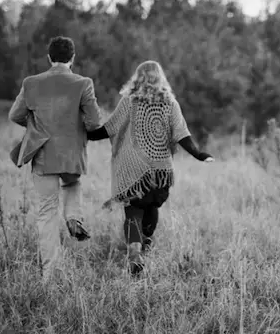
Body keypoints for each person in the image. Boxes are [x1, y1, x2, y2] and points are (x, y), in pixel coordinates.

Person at [87, 60, 213, 275]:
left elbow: (109, 129)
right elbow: (182, 134)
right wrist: (199, 154)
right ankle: (144, 245)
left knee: (133, 212)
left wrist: (85, 133)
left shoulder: (129, 101)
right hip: (159, 172)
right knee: (151, 207)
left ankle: (135, 252)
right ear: (160, 78)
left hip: (131, 171)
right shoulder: (170, 104)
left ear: (137, 78)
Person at [8, 36, 103, 281]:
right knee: (72, 183)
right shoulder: (83, 83)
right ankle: (73, 217)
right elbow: (94, 122)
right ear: (73, 58)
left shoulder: (31, 83)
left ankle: (50, 273)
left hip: (43, 156)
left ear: (49, 58)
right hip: (71, 155)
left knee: (46, 214)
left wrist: (35, 126)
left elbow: (15, 115)